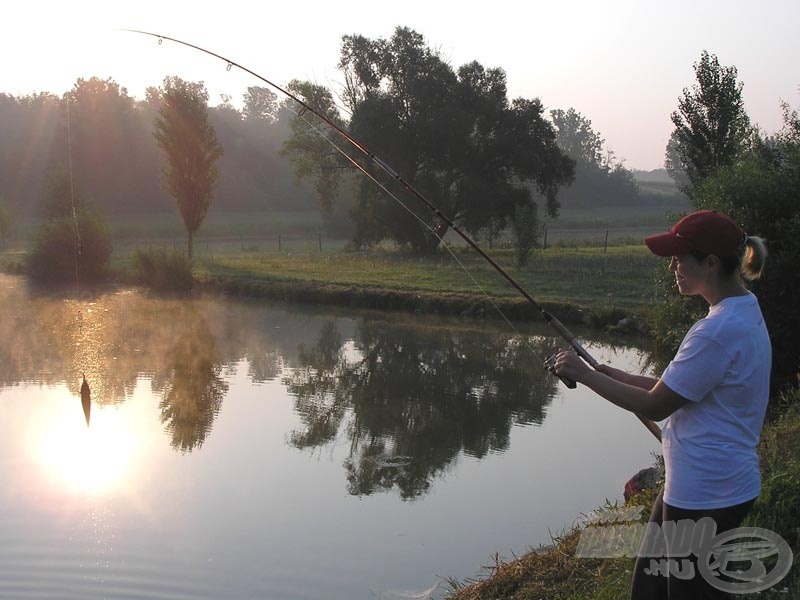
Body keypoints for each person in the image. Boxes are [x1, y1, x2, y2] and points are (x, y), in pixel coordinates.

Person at [553, 209, 770, 599]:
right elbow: (674, 388)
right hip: (700, 485)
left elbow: (656, 407)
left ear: (710, 262)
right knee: (648, 590)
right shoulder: (742, 310)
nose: (672, 266)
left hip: (707, 493)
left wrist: (585, 376)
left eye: (679, 258)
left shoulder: (716, 331)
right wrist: (609, 373)